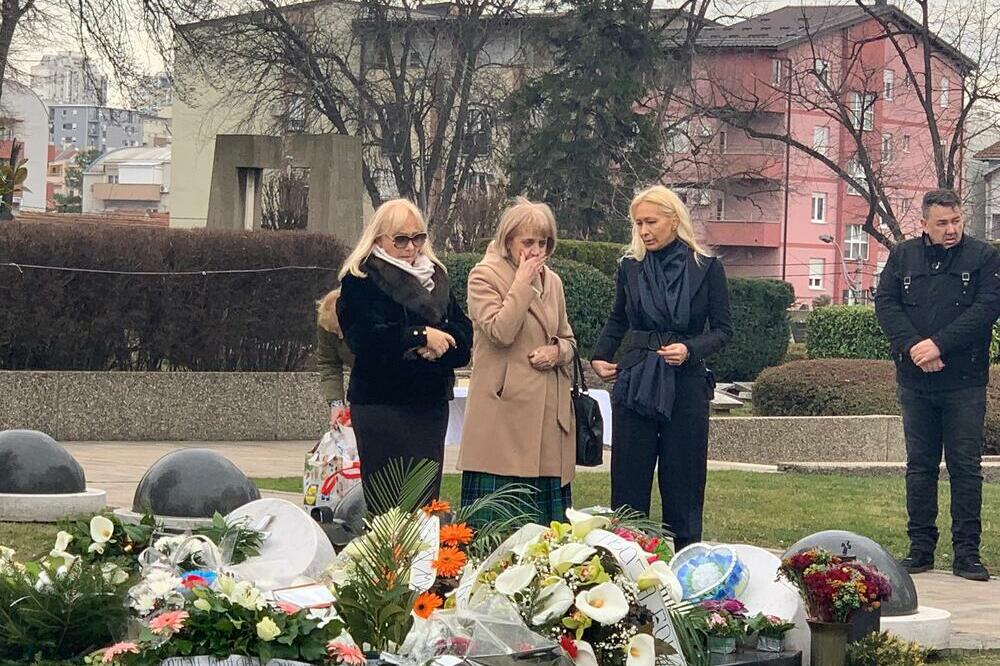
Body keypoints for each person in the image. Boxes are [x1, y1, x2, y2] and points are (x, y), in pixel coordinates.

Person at [590, 185, 732, 551]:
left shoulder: (707, 267)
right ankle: (626, 558)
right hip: (636, 379)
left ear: (674, 220)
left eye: (651, 222)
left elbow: (722, 330)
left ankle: (686, 559)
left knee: (684, 480)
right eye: (638, 223)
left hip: (686, 384)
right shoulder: (630, 267)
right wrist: (599, 355)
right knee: (628, 480)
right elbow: (618, 319)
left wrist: (690, 349)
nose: (644, 231)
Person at [875, 188, 1000, 582]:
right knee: (920, 466)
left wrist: (939, 345)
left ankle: (967, 553)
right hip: (915, 379)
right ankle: (920, 548)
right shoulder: (903, 256)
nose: (951, 229)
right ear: (924, 224)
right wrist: (915, 346)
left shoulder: (983, 257)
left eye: (956, 220)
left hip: (964, 380)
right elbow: (886, 303)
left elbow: (986, 309)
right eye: (942, 223)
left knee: (965, 467)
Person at [337, 199, 472, 505]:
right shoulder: (360, 279)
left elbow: (463, 335)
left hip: (430, 404)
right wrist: (419, 336)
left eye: (418, 238)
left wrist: (440, 345)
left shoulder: (436, 277)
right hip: (382, 406)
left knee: (425, 504)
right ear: (379, 239)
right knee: (388, 504)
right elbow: (364, 340)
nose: (411, 247)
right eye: (400, 239)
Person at [458, 197, 577, 525]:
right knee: (497, 533)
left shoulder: (553, 281)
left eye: (543, 243)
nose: (536, 251)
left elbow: (569, 340)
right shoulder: (483, 276)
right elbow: (500, 331)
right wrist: (522, 283)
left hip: (548, 420)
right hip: (503, 418)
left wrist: (557, 352)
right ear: (508, 241)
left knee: (548, 535)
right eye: (528, 242)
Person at [316, 289, 355, 428]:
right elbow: (329, 364)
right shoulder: (326, 322)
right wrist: (336, 403)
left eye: (340, 329)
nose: (339, 336)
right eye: (334, 332)